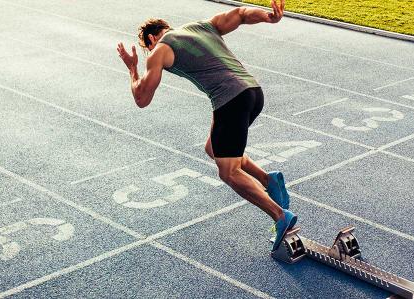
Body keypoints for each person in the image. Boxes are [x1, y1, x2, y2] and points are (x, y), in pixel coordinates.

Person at [116, 0, 296, 251]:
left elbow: (141, 99)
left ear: (151, 39)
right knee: (213, 148)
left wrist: (133, 68)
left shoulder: (159, 50)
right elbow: (241, 13)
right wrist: (269, 17)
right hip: (253, 92)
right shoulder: (201, 26)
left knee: (228, 171)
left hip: (230, 100)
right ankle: (270, 180)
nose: (150, 52)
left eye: (147, 48)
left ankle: (280, 216)